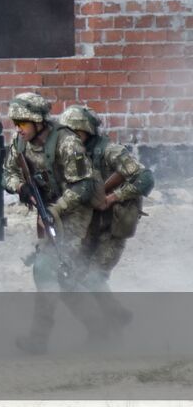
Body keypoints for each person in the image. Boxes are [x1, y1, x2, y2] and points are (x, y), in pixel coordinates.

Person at [0, 92, 103, 353]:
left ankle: (38, 340)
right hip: (48, 211)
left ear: (38, 122)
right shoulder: (21, 142)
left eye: (23, 123)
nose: (18, 129)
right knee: (63, 276)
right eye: (16, 123)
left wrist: (57, 209)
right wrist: (20, 187)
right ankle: (101, 328)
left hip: (75, 212)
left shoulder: (67, 143)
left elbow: (84, 187)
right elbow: (7, 173)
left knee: (46, 268)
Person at [57, 105, 153, 295]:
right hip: (86, 227)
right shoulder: (70, 155)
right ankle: (101, 319)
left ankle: (115, 317)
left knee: (94, 278)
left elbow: (145, 178)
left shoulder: (110, 151)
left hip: (111, 229)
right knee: (70, 275)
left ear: (87, 131)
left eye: (75, 133)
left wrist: (113, 197)